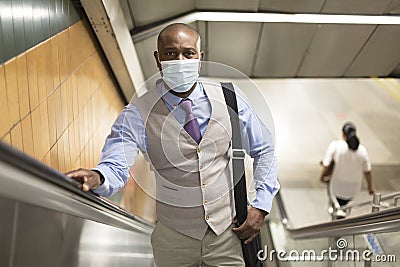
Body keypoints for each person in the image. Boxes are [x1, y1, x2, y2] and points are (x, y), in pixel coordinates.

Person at [67, 23, 279, 266]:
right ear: (158, 59)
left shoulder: (230, 97)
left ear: (200, 58)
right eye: (170, 53)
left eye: (188, 53)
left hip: (228, 233)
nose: (179, 60)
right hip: (173, 239)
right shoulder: (138, 113)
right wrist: (97, 177)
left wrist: (261, 205)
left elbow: (265, 148)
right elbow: (115, 165)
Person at [320, 122, 374, 209]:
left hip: (337, 186)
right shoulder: (362, 150)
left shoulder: (336, 145)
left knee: (335, 205)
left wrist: (322, 177)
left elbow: (326, 164)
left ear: (342, 134)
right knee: (344, 207)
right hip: (353, 189)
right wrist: (370, 187)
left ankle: (336, 216)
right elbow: (367, 171)